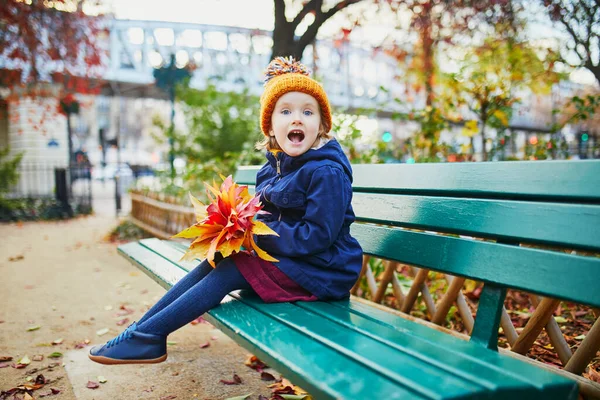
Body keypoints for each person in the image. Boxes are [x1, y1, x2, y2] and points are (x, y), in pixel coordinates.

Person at [88, 57, 363, 365]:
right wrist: (238, 227)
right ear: (271, 126)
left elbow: (318, 237)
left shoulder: (327, 172)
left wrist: (256, 235)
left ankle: (148, 336)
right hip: (295, 262)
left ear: (322, 125)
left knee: (233, 268)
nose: (297, 119)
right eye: (286, 111)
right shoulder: (273, 169)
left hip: (323, 271)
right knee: (218, 256)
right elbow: (270, 219)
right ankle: (144, 332)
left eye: (307, 112)